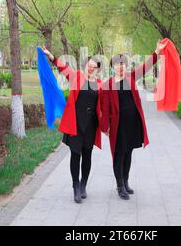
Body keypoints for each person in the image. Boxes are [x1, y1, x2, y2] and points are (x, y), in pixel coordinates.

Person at [101, 41, 166, 200]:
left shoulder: (131, 77)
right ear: (113, 67)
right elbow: (105, 109)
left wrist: (156, 51)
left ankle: (126, 181)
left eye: (123, 64)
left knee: (128, 153)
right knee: (119, 155)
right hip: (117, 126)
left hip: (132, 123)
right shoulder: (107, 85)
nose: (120, 67)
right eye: (117, 64)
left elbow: (146, 67)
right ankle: (119, 186)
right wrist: (105, 128)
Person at [41, 45, 102, 203]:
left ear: (97, 69)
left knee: (87, 156)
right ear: (85, 66)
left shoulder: (101, 85)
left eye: (94, 67)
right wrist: (51, 56)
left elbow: (106, 105)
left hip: (90, 125)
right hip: (76, 124)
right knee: (76, 155)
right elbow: (63, 67)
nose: (91, 69)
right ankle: (75, 186)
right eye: (89, 66)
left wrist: (107, 125)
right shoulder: (76, 77)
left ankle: (83, 185)